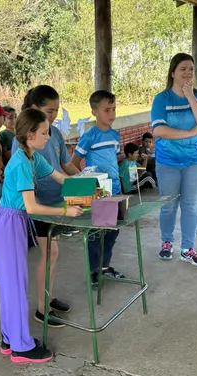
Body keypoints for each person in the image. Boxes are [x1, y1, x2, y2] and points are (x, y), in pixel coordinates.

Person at [0, 108, 83, 363]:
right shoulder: (20, 162)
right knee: (15, 287)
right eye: (43, 132)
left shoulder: (33, 157)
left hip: (15, 223)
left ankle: (10, 339)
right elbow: (31, 206)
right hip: (7, 223)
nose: (47, 136)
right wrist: (65, 209)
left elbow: (60, 177)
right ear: (29, 134)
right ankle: (21, 347)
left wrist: (90, 188)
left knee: (12, 286)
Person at [11, 85, 81, 327]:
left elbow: (63, 170)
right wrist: (64, 209)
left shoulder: (53, 136)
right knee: (48, 254)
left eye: (56, 111)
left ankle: (47, 299)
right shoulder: (22, 148)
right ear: (33, 111)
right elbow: (28, 195)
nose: (52, 118)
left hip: (56, 201)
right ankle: (41, 310)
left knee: (53, 254)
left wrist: (86, 184)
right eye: (48, 112)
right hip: (39, 207)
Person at [150, 53, 197, 267]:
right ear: (173, 73)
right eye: (183, 69)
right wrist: (189, 132)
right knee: (168, 205)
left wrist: (190, 97)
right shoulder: (162, 99)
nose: (187, 73)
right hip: (168, 162)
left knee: (190, 206)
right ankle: (166, 242)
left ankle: (187, 249)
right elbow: (159, 130)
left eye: (191, 69)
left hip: (195, 161)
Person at [71, 90, 127, 286]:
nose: (111, 114)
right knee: (97, 233)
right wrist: (88, 185)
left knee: (113, 230)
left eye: (113, 109)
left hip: (116, 189)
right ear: (94, 112)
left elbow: (116, 159)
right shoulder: (89, 136)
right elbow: (75, 161)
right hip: (99, 192)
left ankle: (105, 267)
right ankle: (94, 270)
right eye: (106, 110)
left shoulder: (115, 136)